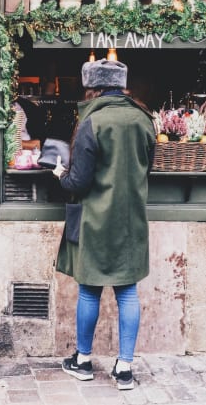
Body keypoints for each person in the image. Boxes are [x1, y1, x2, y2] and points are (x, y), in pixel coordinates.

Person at [51, 58, 156, 391]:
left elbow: (79, 182)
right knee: (127, 292)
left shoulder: (92, 121)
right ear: (121, 85)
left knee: (89, 290)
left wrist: (60, 176)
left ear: (91, 88)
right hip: (132, 219)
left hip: (96, 220)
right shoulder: (144, 119)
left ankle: (82, 361)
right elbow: (147, 167)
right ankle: (124, 368)